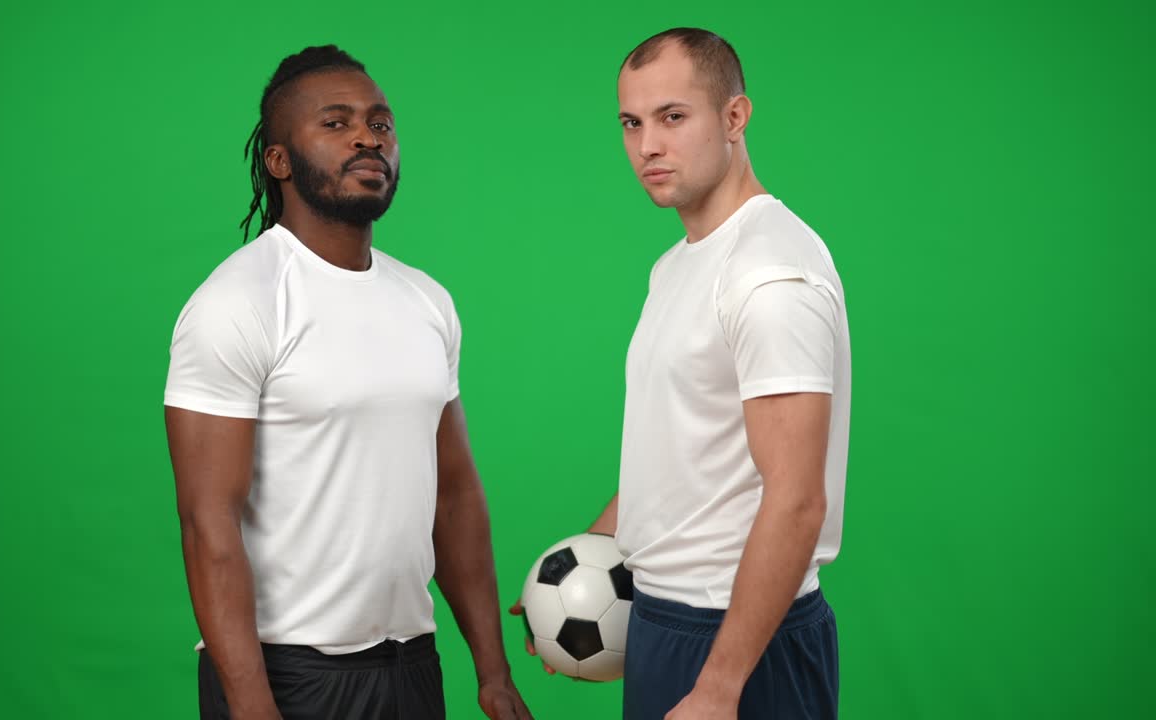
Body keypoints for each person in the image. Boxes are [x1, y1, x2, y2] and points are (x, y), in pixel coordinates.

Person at [165, 45, 531, 720]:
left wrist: (493, 671)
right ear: (279, 161)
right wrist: (251, 706)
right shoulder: (237, 303)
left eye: (381, 124)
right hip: (287, 677)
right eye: (335, 124)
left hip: (411, 667)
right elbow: (206, 523)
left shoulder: (427, 301)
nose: (368, 137)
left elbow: (453, 497)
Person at [513, 28, 850, 719]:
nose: (647, 147)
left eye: (672, 117)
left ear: (734, 117)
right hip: (665, 622)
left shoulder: (767, 271)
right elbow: (677, 458)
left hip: (741, 641)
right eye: (631, 124)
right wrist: (579, 574)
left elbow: (796, 500)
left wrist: (721, 685)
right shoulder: (676, 265)